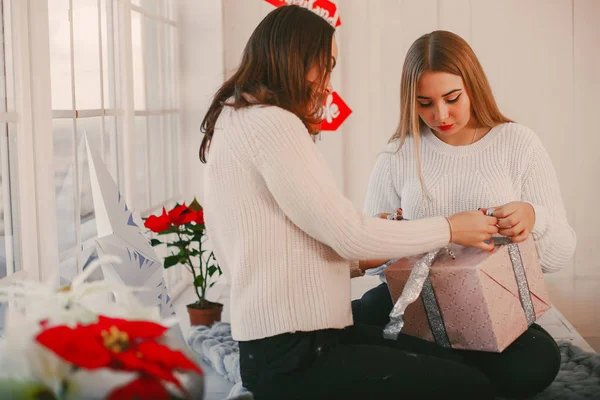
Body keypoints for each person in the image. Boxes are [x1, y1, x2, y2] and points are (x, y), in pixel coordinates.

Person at [200, 7, 500, 400]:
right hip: (296, 354)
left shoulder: (237, 120)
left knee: (456, 368)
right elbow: (349, 234)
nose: (327, 83)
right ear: (297, 59)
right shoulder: (272, 124)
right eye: (325, 66)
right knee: (470, 386)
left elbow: (280, 244)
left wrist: (360, 259)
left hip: (288, 345)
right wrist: (451, 227)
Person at [353, 30, 575, 399]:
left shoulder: (517, 143)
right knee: (358, 317)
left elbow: (560, 255)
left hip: (491, 313)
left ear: (473, 85)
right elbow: (370, 261)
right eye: (424, 103)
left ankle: (419, 373)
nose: (440, 115)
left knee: (538, 359)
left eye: (451, 98)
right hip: (414, 310)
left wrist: (535, 219)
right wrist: (392, 232)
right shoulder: (397, 155)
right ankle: (445, 376)